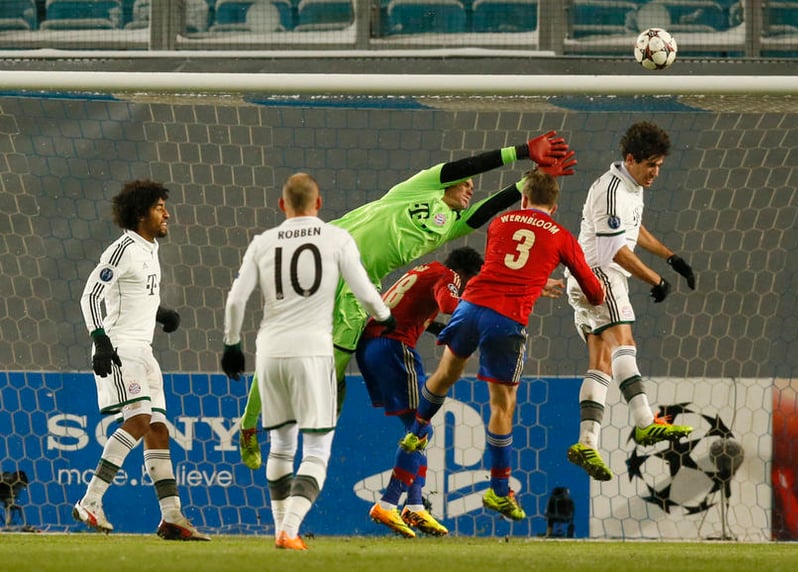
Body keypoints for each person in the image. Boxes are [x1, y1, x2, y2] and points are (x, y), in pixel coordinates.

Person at [236, 131, 578, 470]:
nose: (470, 186)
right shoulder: (421, 188)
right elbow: (467, 164)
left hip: (359, 289)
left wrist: (528, 185)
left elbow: (484, 209)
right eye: (465, 183)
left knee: (328, 375)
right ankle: (249, 426)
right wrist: (522, 151)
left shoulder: (449, 225)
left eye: (472, 185)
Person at [377, 168, 605, 523]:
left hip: (471, 307)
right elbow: (593, 292)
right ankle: (500, 490)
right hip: (507, 319)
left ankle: (416, 431)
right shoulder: (561, 235)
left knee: (445, 373)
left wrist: (533, 279)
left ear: (524, 198)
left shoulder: (500, 222)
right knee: (502, 405)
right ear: (555, 206)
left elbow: (503, 265)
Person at [219, 173, 395, 551]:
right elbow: (364, 289)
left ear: (282, 206)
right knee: (316, 449)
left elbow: (236, 300)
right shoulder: (336, 238)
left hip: (271, 351)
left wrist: (232, 345)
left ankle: (280, 528)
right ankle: (291, 528)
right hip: (314, 352)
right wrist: (384, 316)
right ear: (319, 204)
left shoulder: (263, 243)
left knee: (281, 447)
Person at [76, 179, 210, 541]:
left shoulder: (150, 249)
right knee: (138, 419)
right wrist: (100, 340)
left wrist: (160, 312)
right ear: (140, 214)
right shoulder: (122, 250)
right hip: (120, 349)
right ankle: (90, 500)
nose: (167, 213)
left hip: (144, 350)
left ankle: (171, 517)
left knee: (158, 430)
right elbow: (91, 296)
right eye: (159, 207)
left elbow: (132, 296)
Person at [565, 121, 697, 482]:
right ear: (630, 159)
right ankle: (644, 422)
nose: (655, 173)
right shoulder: (610, 189)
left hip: (588, 276)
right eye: (650, 165)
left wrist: (670, 257)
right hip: (600, 273)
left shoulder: (631, 186)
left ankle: (587, 442)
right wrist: (656, 279)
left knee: (602, 361)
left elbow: (632, 228)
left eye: (659, 166)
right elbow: (614, 249)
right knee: (626, 343)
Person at [359, 246, 484, 538]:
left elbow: (412, 309)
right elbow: (449, 304)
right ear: (465, 275)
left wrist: (436, 328)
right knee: (421, 428)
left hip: (372, 346)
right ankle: (389, 502)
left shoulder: (424, 271)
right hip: (393, 346)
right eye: (473, 282)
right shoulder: (449, 276)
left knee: (419, 429)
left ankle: (414, 504)